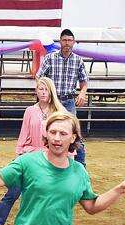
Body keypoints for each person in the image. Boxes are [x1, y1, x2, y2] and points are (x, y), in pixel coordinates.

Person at [0, 77, 66, 225]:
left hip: (51, 160)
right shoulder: (30, 111)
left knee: (49, 197)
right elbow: (23, 134)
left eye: (46, 89)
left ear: (51, 91)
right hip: (29, 157)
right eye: (40, 89)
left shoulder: (60, 113)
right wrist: (19, 155)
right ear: (36, 91)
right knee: (12, 193)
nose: (43, 92)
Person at [37, 28, 88, 165]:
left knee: (74, 133)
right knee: (49, 131)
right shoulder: (50, 58)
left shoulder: (78, 60)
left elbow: (84, 81)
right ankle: (46, 161)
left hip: (69, 101)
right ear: (60, 42)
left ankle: (81, 165)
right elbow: (39, 77)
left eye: (69, 40)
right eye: (64, 40)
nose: (67, 43)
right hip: (52, 101)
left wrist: (82, 93)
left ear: (74, 42)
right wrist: (45, 92)